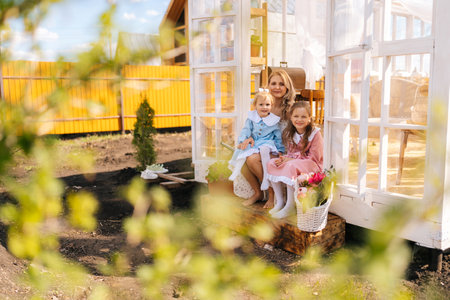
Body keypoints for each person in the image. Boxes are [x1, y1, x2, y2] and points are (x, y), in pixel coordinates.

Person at [240, 70, 296, 207]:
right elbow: (255, 127)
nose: (277, 87)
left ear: (287, 87)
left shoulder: (289, 108)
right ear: (268, 85)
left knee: (252, 159)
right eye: (274, 83)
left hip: (280, 146)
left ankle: (272, 194)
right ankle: (257, 192)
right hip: (262, 142)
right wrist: (248, 139)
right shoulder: (263, 103)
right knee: (239, 156)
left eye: (281, 84)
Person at [266, 101, 323, 219]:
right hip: (296, 161)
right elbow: (291, 153)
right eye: (296, 116)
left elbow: (314, 157)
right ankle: (280, 202)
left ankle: (290, 206)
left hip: (312, 163)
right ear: (291, 118)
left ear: (309, 118)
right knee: (272, 163)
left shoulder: (315, 134)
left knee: (290, 166)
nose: (299, 120)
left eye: (303, 116)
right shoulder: (290, 133)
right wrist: (285, 159)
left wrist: (290, 159)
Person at [229, 91, 284, 206]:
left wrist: (280, 150)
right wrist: (243, 140)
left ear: (271, 106)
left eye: (267, 105)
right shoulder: (251, 118)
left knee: (260, 154)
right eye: (261, 105)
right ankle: (257, 192)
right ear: (255, 105)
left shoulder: (273, 121)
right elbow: (246, 130)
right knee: (241, 155)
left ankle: (270, 191)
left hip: (267, 145)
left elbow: (278, 137)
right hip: (255, 144)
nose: (264, 107)